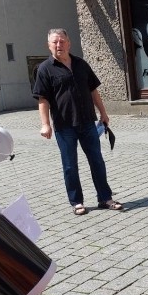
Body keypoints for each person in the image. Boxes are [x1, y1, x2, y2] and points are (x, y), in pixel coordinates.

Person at [32, 29, 123, 216]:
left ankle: (105, 198)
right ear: (49, 45)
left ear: (69, 42)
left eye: (62, 41)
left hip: (88, 122)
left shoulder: (81, 64)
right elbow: (43, 99)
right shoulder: (45, 69)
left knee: (97, 161)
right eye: (55, 42)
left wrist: (103, 113)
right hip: (64, 126)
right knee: (70, 165)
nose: (59, 45)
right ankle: (77, 202)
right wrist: (45, 123)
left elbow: (93, 91)